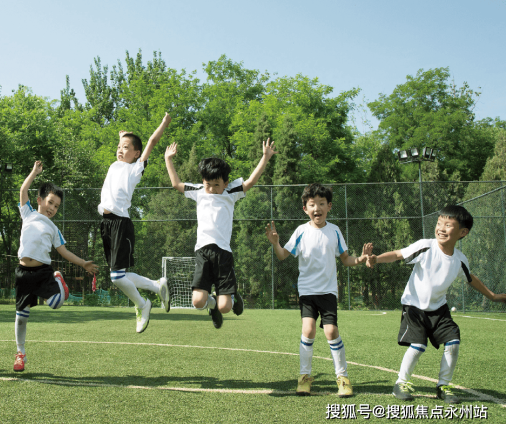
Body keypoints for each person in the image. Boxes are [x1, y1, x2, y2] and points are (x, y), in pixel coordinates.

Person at [366, 205, 506, 404]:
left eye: (448, 225)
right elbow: (398, 254)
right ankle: (401, 383)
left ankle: (443, 386)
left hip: (439, 310)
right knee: (418, 345)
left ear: (463, 232)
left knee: (453, 342)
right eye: (439, 223)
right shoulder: (426, 246)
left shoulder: (460, 260)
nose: (441, 228)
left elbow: (471, 279)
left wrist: (493, 296)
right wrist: (375, 259)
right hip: (414, 307)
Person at [265, 183, 372, 397]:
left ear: (329, 206)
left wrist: (361, 259)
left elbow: (345, 259)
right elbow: (283, 255)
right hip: (307, 292)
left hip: (328, 292)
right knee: (308, 330)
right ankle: (304, 377)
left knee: (331, 331)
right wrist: (275, 243)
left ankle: (343, 378)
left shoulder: (335, 231)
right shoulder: (301, 231)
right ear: (305, 208)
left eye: (322, 204)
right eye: (312, 204)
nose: (317, 208)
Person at [165, 138, 278, 329]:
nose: (211, 189)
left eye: (216, 185)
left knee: (225, 307)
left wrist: (265, 157)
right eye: (208, 184)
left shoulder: (231, 192)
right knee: (197, 302)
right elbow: (176, 184)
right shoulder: (199, 191)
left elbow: (251, 181)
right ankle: (212, 306)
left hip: (223, 253)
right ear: (203, 181)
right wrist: (168, 159)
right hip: (202, 251)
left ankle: (232, 298)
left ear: (225, 183)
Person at [14, 161, 98, 372]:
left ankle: (58, 279)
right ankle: (20, 353)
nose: (52, 208)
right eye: (50, 202)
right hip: (23, 273)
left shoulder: (53, 228)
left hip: (43, 272)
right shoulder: (28, 213)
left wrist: (83, 263)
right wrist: (34, 172)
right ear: (40, 200)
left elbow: (64, 251)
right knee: (21, 317)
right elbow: (23, 190)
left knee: (57, 303)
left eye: (56, 206)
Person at [98, 113, 172, 333]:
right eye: (119, 147)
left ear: (137, 154)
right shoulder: (115, 165)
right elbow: (124, 147)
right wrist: (124, 137)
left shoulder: (135, 169)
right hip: (106, 224)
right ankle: (157, 286)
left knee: (116, 277)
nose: (120, 150)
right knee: (120, 275)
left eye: (125, 147)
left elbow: (152, 141)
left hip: (120, 224)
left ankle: (142, 304)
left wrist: (164, 123)